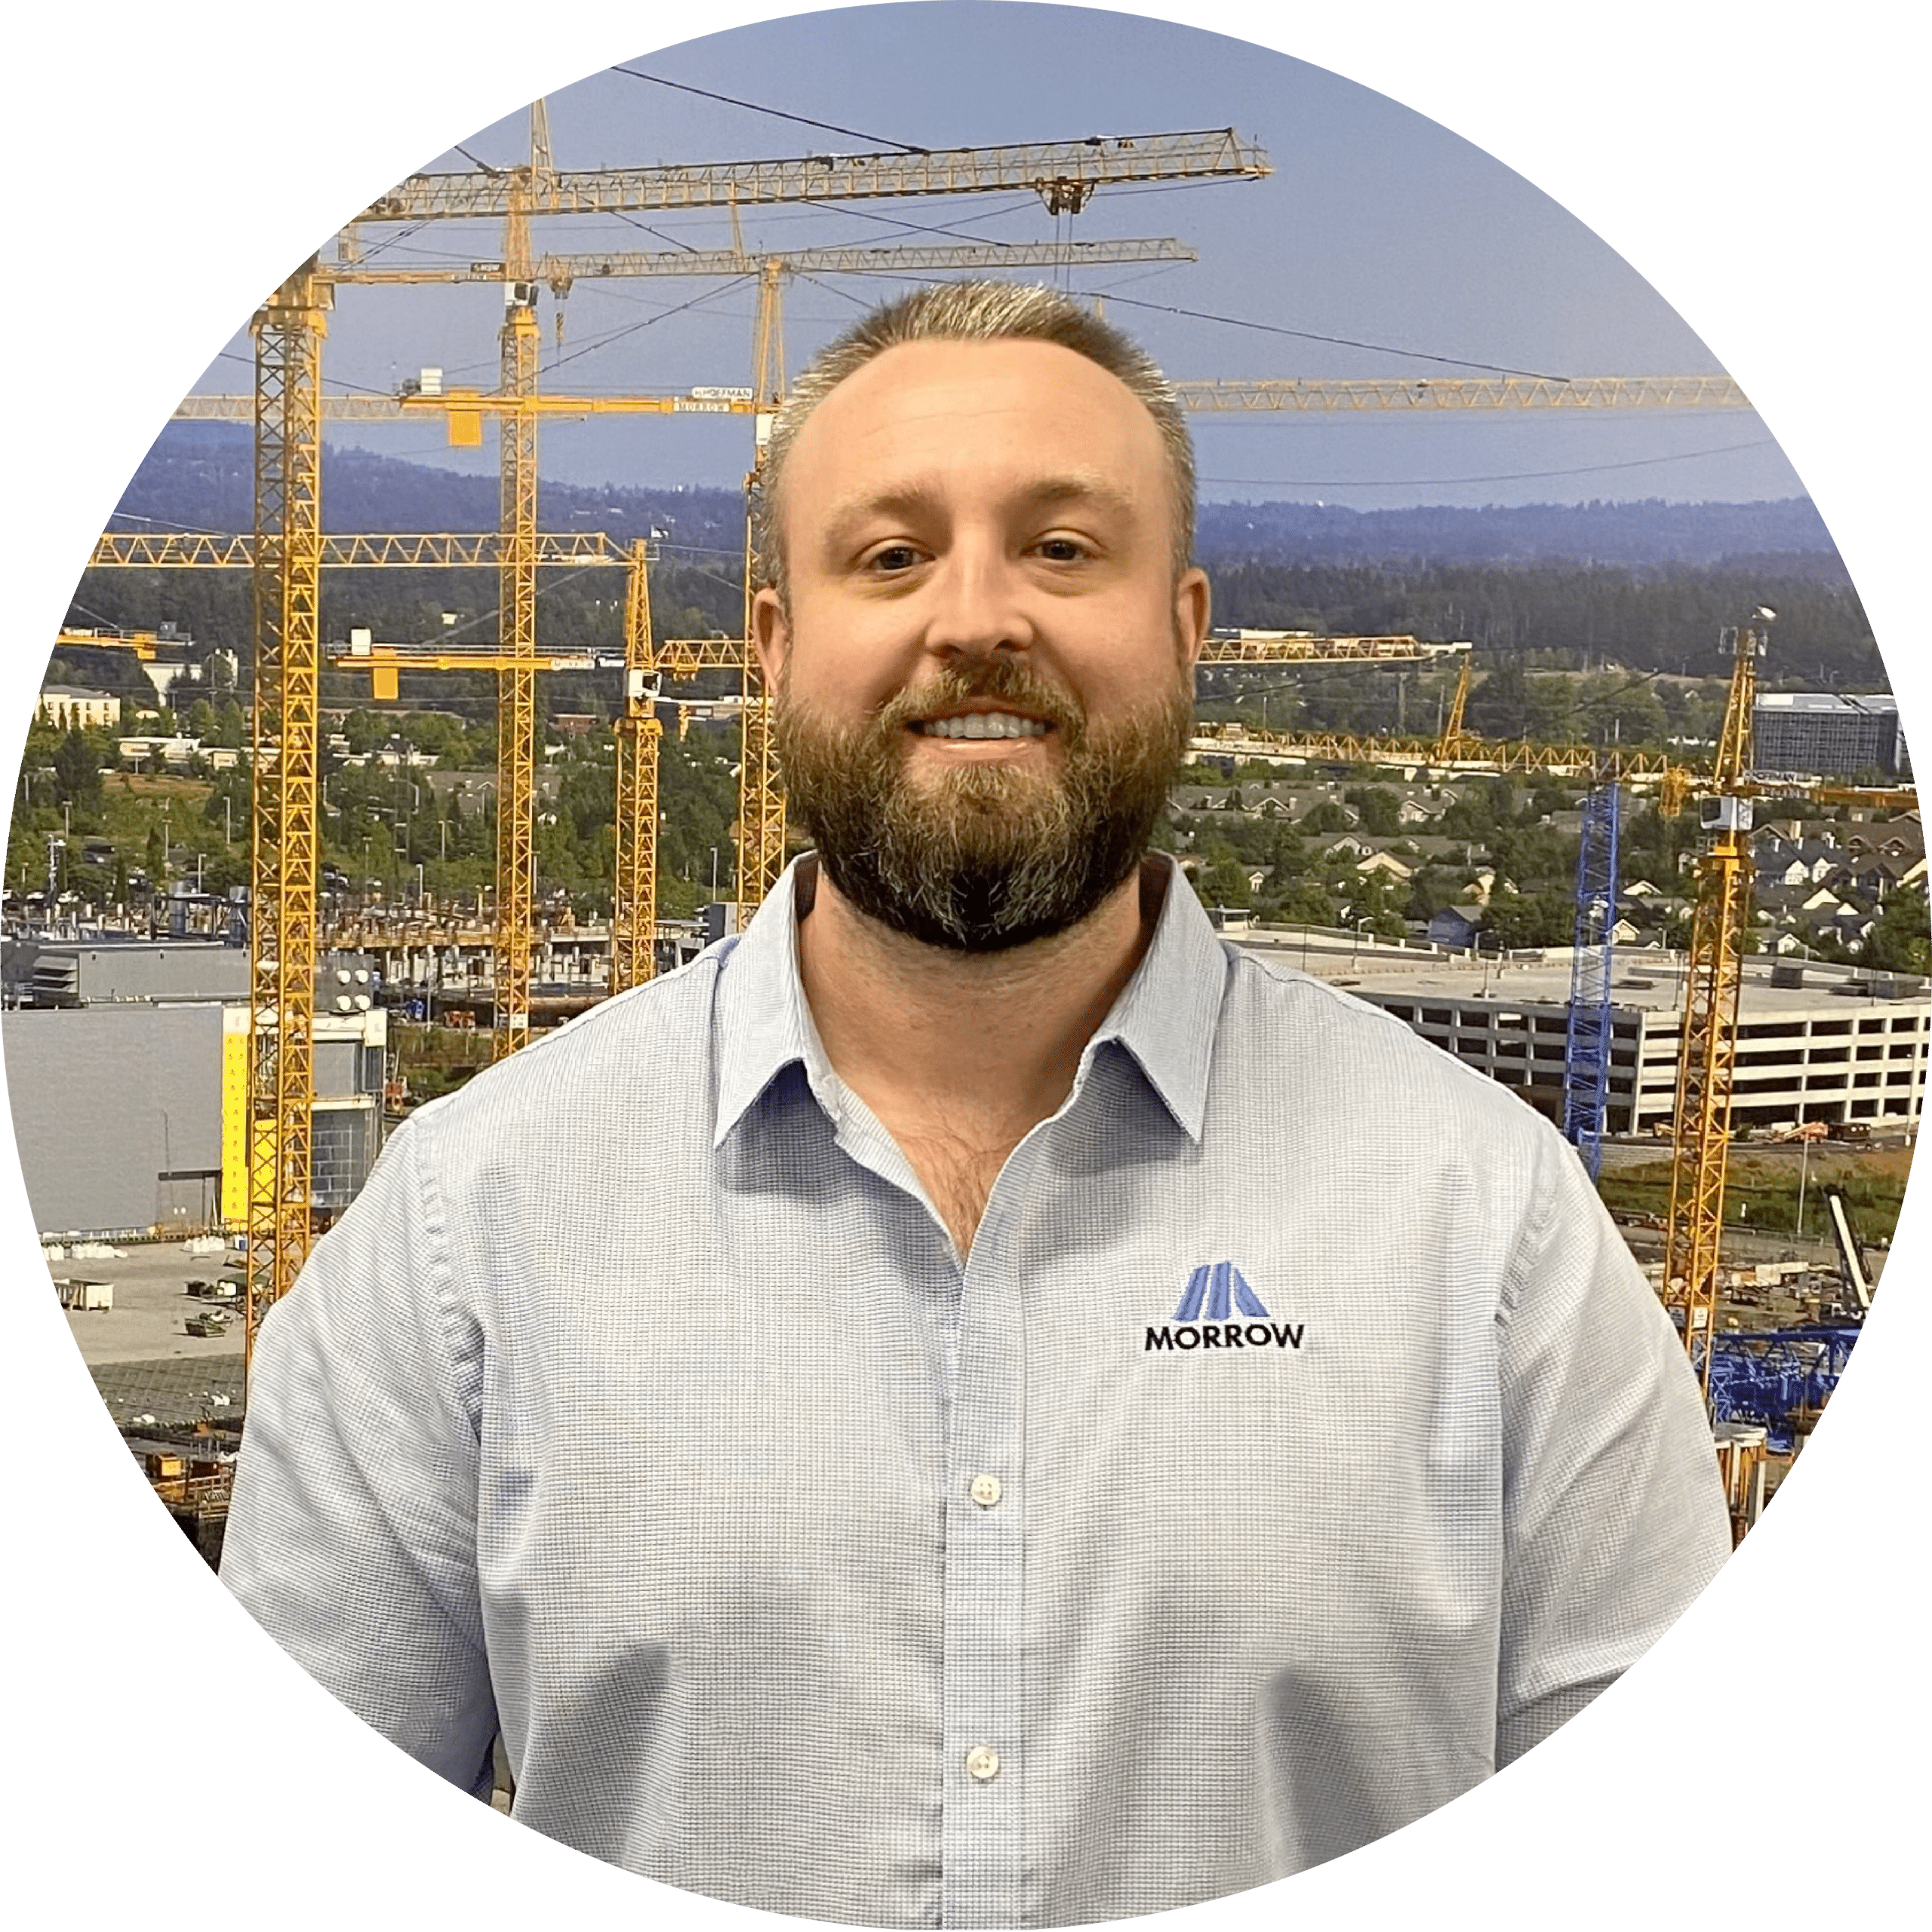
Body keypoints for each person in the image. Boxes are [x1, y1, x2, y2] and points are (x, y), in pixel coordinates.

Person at [222, 281, 1732, 1928]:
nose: (976, 619)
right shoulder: (462, 1239)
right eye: (888, 555)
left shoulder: (1491, 1232)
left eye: (1062, 549)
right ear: (773, 642)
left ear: (1188, 626)